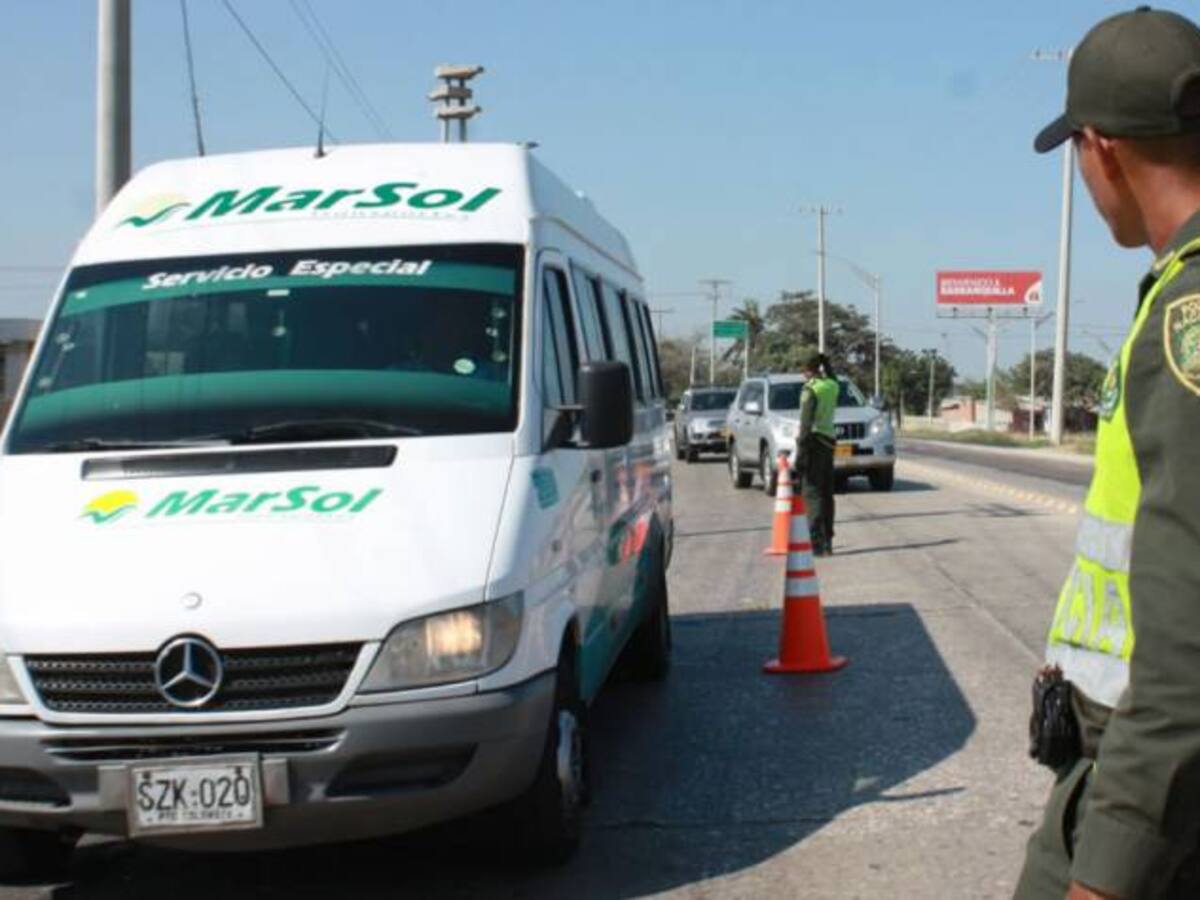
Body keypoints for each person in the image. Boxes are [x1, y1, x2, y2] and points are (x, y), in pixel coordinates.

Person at [1017, 7, 1200, 899]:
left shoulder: (1185, 320)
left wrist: (1113, 862)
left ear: (1102, 148)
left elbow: (1188, 636)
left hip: (1155, 788)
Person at [794, 348, 838, 556]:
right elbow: (832, 375)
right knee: (827, 493)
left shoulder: (810, 390)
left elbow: (805, 425)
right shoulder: (832, 385)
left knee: (811, 494)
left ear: (806, 369)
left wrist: (799, 457)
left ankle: (816, 543)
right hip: (829, 443)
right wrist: (825, 362)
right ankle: (828, 540)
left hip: (813, 443)